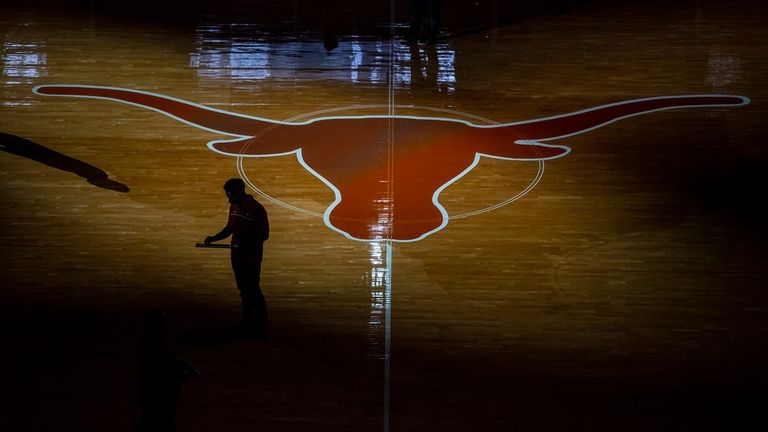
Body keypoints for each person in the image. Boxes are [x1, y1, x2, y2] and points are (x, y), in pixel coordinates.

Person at [205, 178, 270, 336]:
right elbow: (230, 228)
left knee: (253, 289)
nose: (228, 199)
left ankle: (262, 323)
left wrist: (247, 242)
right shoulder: (234, 207)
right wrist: (214, 238)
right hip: (237, 255)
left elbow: (264, 235)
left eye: (229, 195)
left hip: (251, 257)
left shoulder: (257, 209)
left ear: (238, 193)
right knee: (243, 289)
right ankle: (248, 319)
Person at [138, 309, 199, 432]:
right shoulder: (160, 348)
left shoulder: (148, 343)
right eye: (165, 320)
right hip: (162, 397)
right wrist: (185, 369)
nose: (168, 322)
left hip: (152, 395)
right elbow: (170, 373)